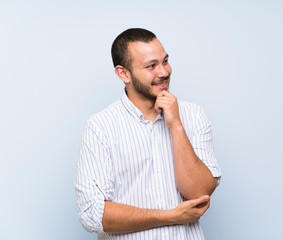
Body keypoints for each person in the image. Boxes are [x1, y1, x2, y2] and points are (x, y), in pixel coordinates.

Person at [74, 28, 221, 239]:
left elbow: (199, 194)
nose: (164, 72)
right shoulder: (100, 127)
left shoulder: (194, 116)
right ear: (123, 73)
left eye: (165, 61)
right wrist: (171, 216)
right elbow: (93, 215)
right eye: (151, 66)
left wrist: (176, 126)